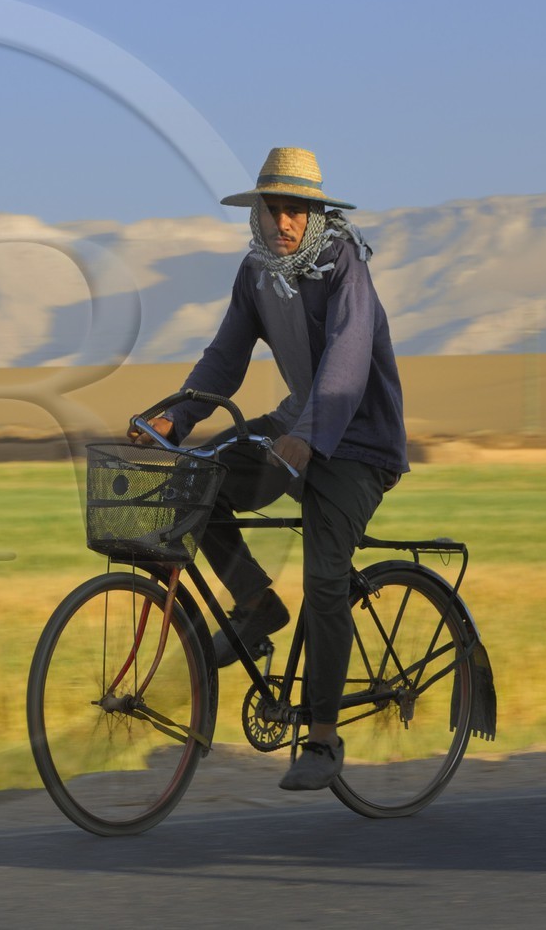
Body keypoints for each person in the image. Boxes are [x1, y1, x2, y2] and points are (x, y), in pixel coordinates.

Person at [129, 146, 408, 791]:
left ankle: (323, 736)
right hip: (296, 426)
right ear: (256, 213)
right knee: (199, 483)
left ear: (316, 213)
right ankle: (254, 605)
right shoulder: (256, 273)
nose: (284, 222)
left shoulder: (345, 265)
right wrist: (175, 417)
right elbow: (225, 356)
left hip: (360, 442)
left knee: (325, 576)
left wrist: (310, 438)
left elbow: (346, 361)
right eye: (273, 209)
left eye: (296, 210)